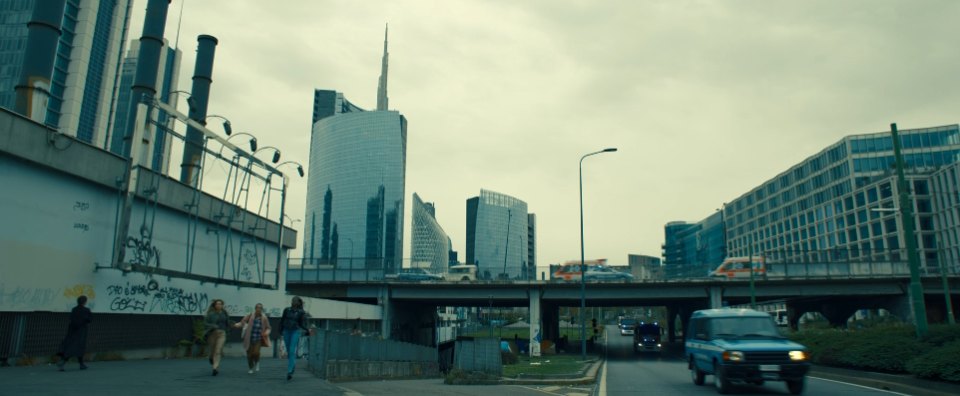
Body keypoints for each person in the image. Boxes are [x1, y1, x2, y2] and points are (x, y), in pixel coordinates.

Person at [278, 296, 311, 380]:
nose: (293, 302)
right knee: (289, 351)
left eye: (295, 301)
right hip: (286, 331)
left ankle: (290, 371)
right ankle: (292, 365)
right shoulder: (286, 310)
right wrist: (280, 330)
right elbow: (282, 320)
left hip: (295, 331)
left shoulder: (301, 312)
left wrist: (307, 330)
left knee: (292, 350)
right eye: (292, 300)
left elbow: (302, 324)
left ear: (298, 303)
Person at [57, 295, 92, 371]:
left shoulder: (74, 309)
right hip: (81, 332)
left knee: (71, 346)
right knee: (78, 348)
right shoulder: (86, 310)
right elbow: (89, 320)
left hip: (72, 331)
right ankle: (64, 362)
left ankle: (81, 364)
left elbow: (71, 319)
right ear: (85, 302)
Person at [234, 303, 271, 374]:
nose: (259, 309)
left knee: (256, 353)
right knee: (249, 354)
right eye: (257, 308)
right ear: (255, 309)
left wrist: (267, 332)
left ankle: (257, 362)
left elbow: (268, 327)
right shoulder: (250, 315)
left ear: (262, 310)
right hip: (249, 338)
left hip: (258, 338)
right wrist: (236, 325)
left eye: (260, 308)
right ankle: (250, 368)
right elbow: (242, 322)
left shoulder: (264, 318)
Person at [203, 299, 235, 376]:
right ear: (214, 305)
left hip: (222, 333)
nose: (219, 305)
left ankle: (215, 368)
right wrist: (212, 326)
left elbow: (227, 322)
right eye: (217, 304)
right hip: (212, 333)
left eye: (220, 304)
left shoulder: (224, 314)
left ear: (222, 305)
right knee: (213, 350)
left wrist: (232, 324)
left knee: (218, 350)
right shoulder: (211, 314)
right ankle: (211, 357)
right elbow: (205, 323)